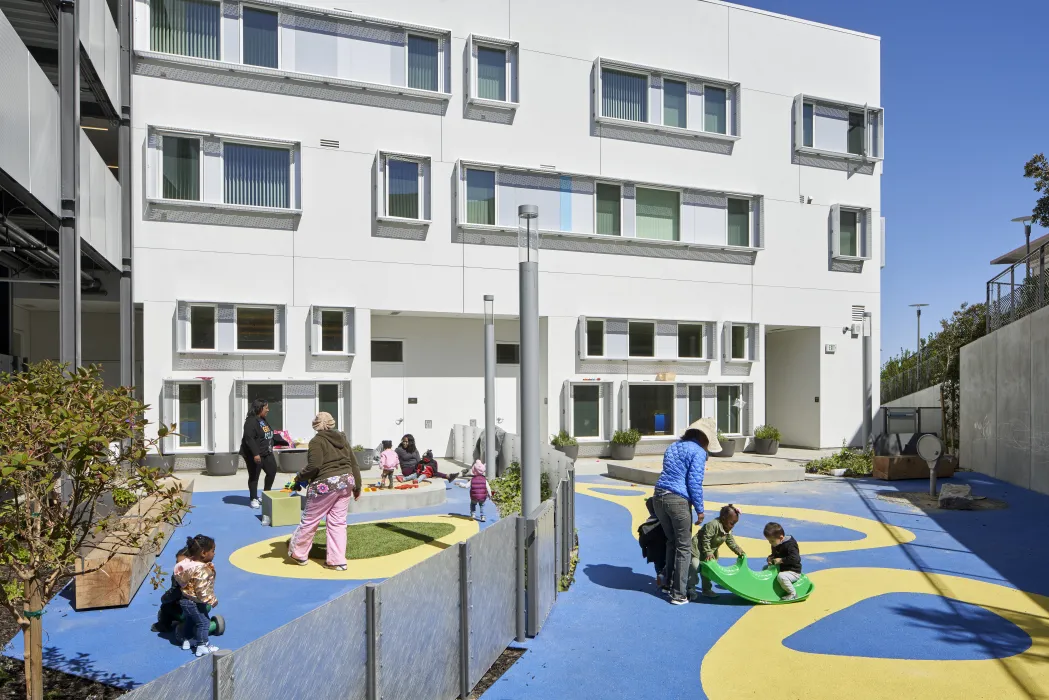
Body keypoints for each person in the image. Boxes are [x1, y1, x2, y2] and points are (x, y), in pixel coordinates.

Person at [652, 417, 720, 605]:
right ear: (704, 437)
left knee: (672, 541)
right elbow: (694, 483)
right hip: (678, 500)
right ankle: (679, 593)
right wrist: (700, 509)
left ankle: (668, 583)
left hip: (659, 496)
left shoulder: (674, 446)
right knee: (684, 546)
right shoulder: (698, 452)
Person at [286, 412, 362, 571]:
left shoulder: (317, 441)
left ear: (316, 424)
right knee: (338, 522)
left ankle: (298, 554)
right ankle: (337, 561)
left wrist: (299, 476)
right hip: (346, 481)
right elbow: (353, 463)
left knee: (310, 519)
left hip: (325, 484)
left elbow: (314, 466)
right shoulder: (342, 438)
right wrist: (358, 486)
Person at [174, 534, 218, 657]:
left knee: (190, 620)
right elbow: (201, 590)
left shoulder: (188, 565)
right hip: (194, 601)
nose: (214, 553)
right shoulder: (201, 570)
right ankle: (203, 645)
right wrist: (212, 600)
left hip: (185, 600)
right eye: (212, 551)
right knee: (204, 622)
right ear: (203, 553)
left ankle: (187, 640)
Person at [240, 398, 289, 509]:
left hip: (266, 452)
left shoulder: (262, 420)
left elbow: (270, 434)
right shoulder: (250, 421)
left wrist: (284, 442)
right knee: (254, 476)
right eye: (266, 408)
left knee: (272, 471)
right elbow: (249, 439)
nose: (268, 410)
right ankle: (253, 498)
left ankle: (266, 494)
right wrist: (255, 454)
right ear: (259, 408)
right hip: (254, 454)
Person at [690, 504, 745, 600]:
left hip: (709, 552)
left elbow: (730, 542)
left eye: (735, 524)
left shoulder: (727, 529)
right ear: (723, 519)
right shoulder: (713, 525)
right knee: (695, 566)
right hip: (697, 549)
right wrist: (708, 552)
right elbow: (705, 539)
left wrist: (739, 551)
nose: (733, 526)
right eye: (732, 523)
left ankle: (706, 590)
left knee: (708, 570)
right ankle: (690, 588)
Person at [151, 547, 189, 634]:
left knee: (165, 606)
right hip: (201, 603)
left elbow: (174, 592)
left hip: (185, 607)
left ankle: (164, 625)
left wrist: (164, 598)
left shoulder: (179, 578)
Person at [764, 522, 803, 601]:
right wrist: (770, 558)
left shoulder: (790, 545)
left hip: (793, 571)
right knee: (766, 568)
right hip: (782, 568)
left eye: (772, 541)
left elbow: (795, 558)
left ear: (781, 538)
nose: (770, 543)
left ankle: (793, 594)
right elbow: (775, 554)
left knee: (781, 576)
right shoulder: (776, 543)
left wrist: (781, 560)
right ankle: (769, 588)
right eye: (769, 541)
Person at [637, 497, 668, 587]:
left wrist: (644, 547)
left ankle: (662, 583)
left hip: (654, 552)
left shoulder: (647, 525)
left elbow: (643, 541)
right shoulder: (666, 522)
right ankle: (667, 582)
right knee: (668, 565)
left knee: (659, 566)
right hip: (667, 549)